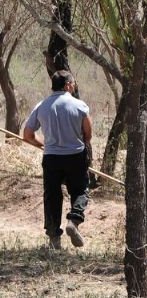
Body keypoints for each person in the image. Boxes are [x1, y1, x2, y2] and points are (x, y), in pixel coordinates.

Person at [23, 70, 93, 249]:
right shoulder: (80, 106)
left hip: (51, 158)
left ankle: (54, 237)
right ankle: (74, 221)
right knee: (81, 191)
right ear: (68, 85)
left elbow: (28, 134)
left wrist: (44, 145)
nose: (74, 87)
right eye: (73, 84)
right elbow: (88, 135)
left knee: (52, 196)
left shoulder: (42, 106)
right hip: (75, 157)